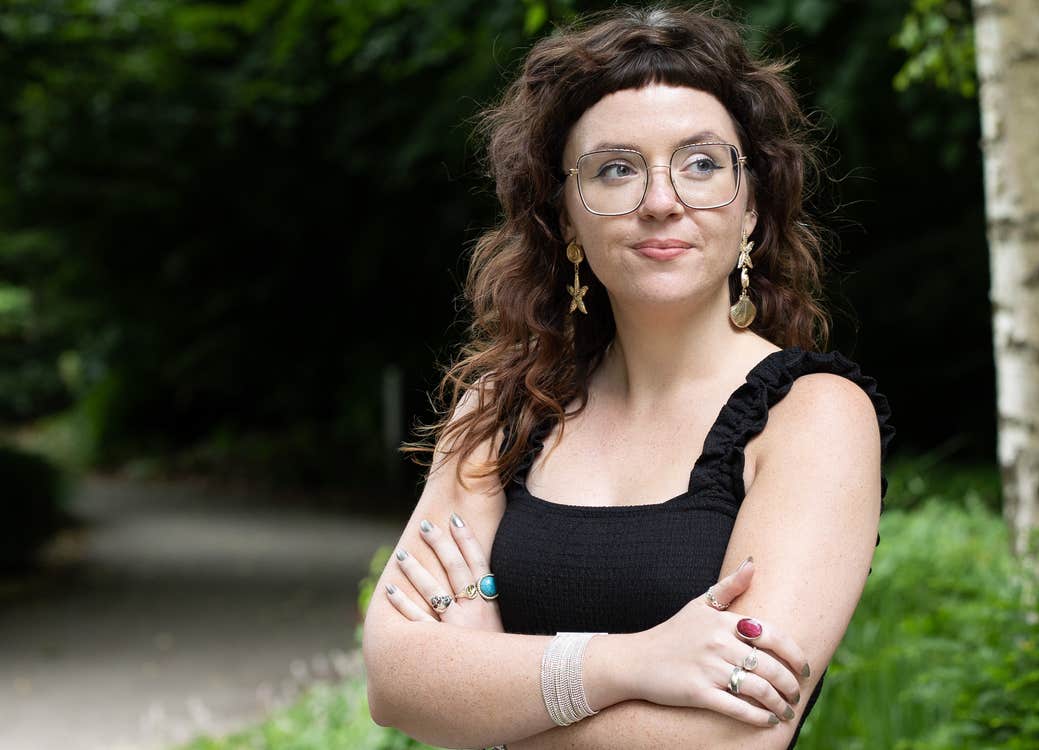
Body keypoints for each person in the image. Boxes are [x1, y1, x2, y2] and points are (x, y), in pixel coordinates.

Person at [361, 5, 895, 749]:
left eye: (701, 163)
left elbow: (731, 741)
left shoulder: (815, 417)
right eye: (616, 169)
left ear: (752, 208)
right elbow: (394, 682)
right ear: (566, 220)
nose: (661, 201)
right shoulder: (504, 410)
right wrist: (628, 663)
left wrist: (485, 694)